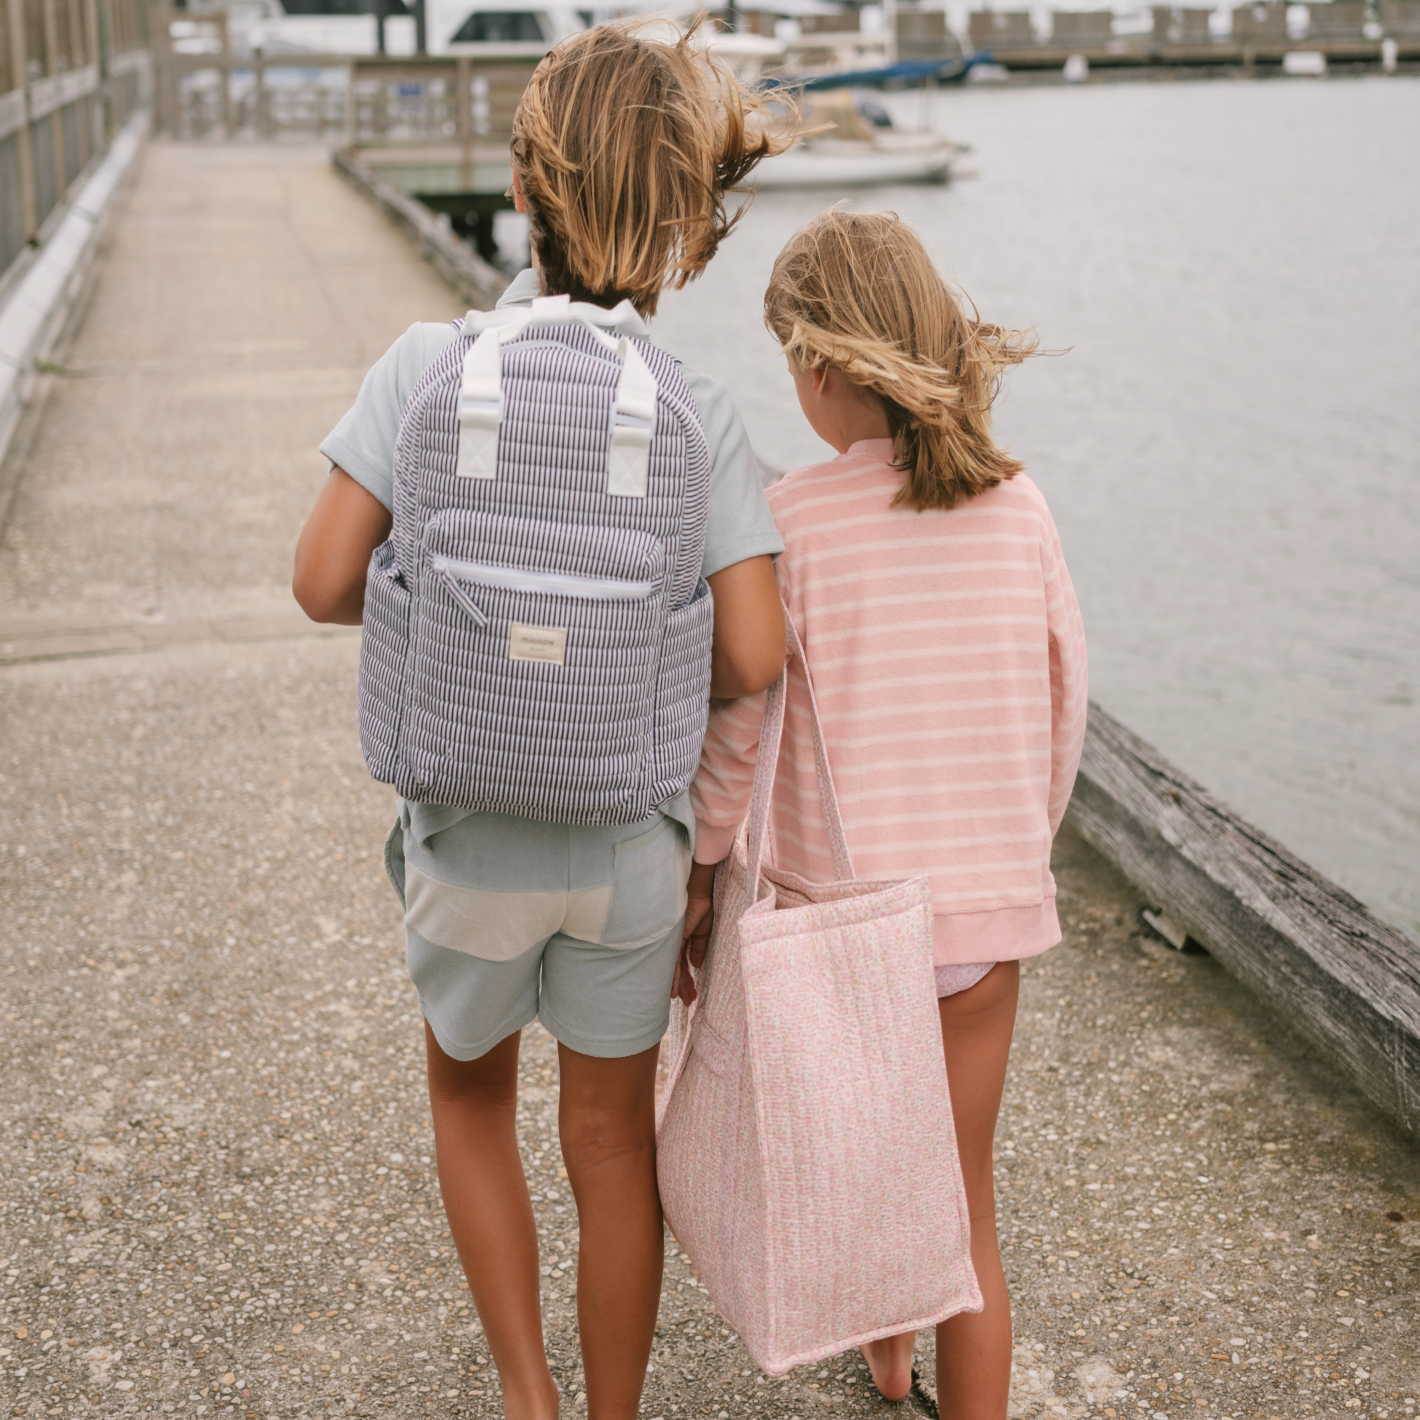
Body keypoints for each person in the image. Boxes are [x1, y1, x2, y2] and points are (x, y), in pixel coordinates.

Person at [291, 24, 789, 1420]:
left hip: (465, 840)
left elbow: (322, 580)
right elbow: (755, 653)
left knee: (470, 1106)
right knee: (611, 1147)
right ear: (686, 225)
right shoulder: (697, 408)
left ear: (526, 193)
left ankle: (527, 1397)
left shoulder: (423, 365)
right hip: (624, 852)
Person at [683, 209, 1088, 1417]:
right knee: (964, 1205)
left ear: (815, 367)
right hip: (979, 927)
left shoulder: (793, 522)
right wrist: (1020, 855)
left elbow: (740, 726)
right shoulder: (1019, 509)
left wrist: (705, 867)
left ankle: (882, 1350)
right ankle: (916, 1374)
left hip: (842, 920)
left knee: (868, 1174)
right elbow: (1062, 704)